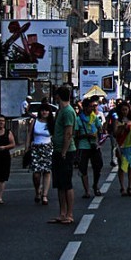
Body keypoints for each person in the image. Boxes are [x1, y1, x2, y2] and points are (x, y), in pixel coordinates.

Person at [50, 86, 76, 225]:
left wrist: (64, 152)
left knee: (67, 183)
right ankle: (62, 213)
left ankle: (69, 214)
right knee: (59, 184)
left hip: (65, 151)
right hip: (58, 150)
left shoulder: (68, 111)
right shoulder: (61, 110)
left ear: (59, 96)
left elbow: (68, 132)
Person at [25, 104, 55, 205]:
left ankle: (45, 195)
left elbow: (54, 135)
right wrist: (27, 147)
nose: (44, 112)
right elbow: (29, 134)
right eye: (43, 111)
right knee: (36, 174)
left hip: (47, 147)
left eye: (46, 111)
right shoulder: (35, 121)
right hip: (36, 148)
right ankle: (37, 190)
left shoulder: (51, 123)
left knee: (47, 171)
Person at [75, 98, 104, 199]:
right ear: (85, 107)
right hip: (84, 146)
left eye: (93, 106)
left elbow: (100, 129)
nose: (92, 108)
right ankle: (86, 190)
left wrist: (98, 133)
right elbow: (76, 135)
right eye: (90, 106)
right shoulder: (79, 119)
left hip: (94, 145)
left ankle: (95, 185)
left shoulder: (94, 118)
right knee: (83, 168)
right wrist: (86, 136)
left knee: (98, 166)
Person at [114, 102, 131, 196]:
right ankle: (122, 187)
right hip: (122, 146)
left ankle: (130, 186)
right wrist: (123, 127)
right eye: (123, 110)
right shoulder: (118, 121)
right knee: (122, 167)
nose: (125, 111)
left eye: (126, 109)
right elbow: (115, 133)